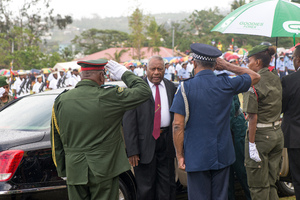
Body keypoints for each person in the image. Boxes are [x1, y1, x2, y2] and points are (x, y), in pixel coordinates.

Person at [51, 58, 152, 200]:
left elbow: (56, 140)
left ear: (82, 76)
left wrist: (63, 170)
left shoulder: (61, 100)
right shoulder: (109, 96)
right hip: (104, 169)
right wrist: (123, 73)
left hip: (74, 170)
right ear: (100, 76)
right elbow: (144, 91)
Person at [170, 43, 260, 200]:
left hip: (196, 155)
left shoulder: (185, 88)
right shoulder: (225, 83)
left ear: (194, 62)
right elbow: (255, 76)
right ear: (215, 64)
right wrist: (228, 66)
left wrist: (180, 155)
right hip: (222, 154)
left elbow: (178, 125)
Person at [123, 55, 177, 200]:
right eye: (152, 69)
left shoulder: (171, 86)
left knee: (166, 187)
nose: (156, 72)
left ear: (165, 69)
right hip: (143, 146)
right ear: (146, 69)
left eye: (160, 69)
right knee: (146, 189)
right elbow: (128, 121)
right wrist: (132, 150)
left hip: (166, 143)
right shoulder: (136, 88)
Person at [243, 45, 283, 200]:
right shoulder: (275, 77)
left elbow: (252, 116)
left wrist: (251, 144)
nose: (248, 64)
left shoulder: (253, 82)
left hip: (260, 136)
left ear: (258, 62)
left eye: (250, 60)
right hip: (276, 134)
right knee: (271, 183)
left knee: (258, 187)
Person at [281, 45, 300, 199]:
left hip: (295, 137)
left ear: (298, 60)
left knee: (298, 179)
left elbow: (282, 107)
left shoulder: (288, 80)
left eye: (293, 58)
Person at [228, 95, 251, 200]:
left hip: (235, 129)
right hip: (227, 131)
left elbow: (231, 109)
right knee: (226, 175)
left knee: (242, 170)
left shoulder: (224, 82)